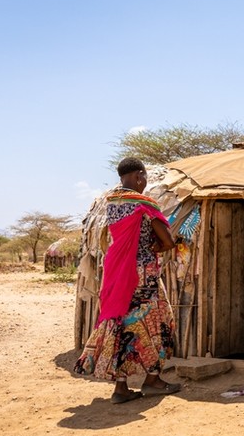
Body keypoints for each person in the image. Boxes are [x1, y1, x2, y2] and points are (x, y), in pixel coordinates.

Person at [74, 157, 182, 404]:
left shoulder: (111, 202)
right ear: (139, 176)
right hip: (143, 275)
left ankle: (121, 388)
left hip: (117, 271)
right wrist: (156, 246)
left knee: (122, 325)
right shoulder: (143, 204)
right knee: (160, 322)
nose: (145, 183)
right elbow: (168, 241)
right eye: (144, 178)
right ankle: (153, 379)